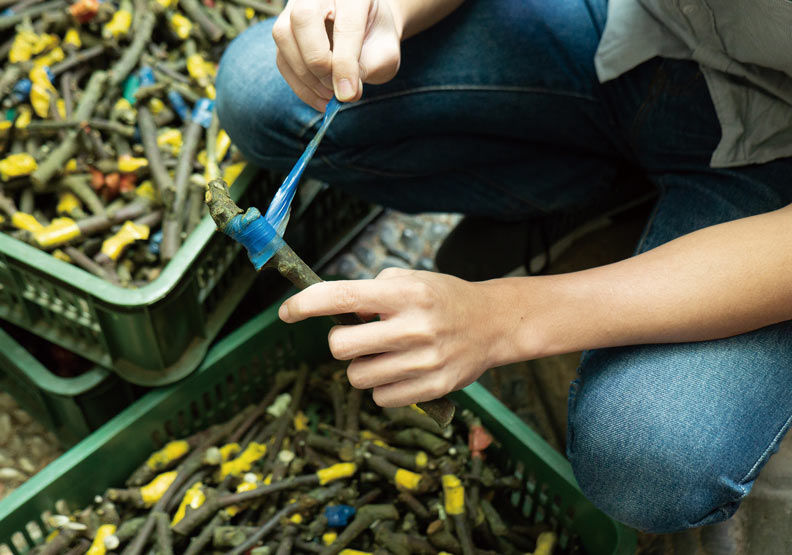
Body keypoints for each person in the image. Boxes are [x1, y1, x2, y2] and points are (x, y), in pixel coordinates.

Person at [214, 0, 792, 534]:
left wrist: (504, 318)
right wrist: (391, 9)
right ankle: (616, 193)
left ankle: (647, 230)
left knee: (651, 454)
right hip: (642, 28)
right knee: (262, 90)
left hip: (777, 157)